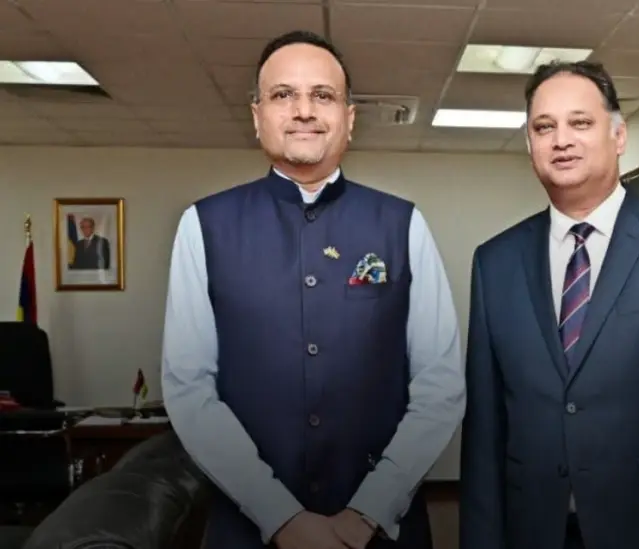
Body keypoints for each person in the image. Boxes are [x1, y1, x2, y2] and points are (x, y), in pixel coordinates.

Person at [160, 30, 464, 549]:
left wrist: (368, 512)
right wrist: (281, 516)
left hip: (380, 531)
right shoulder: (203, 226)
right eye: (283, 95)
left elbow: (440, 386)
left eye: (322, 95)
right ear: (257, 116)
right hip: (247, 530)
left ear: (349, 117)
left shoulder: (403, 224)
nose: (304, 110)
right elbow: (189, 390)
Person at [459, 60, 639, 549]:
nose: (561, 140)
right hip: (532, 530)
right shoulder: (494, 263)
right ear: (530, 145)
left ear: (618, 136)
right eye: (544, 127)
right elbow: (484, 435)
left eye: (580, 122)